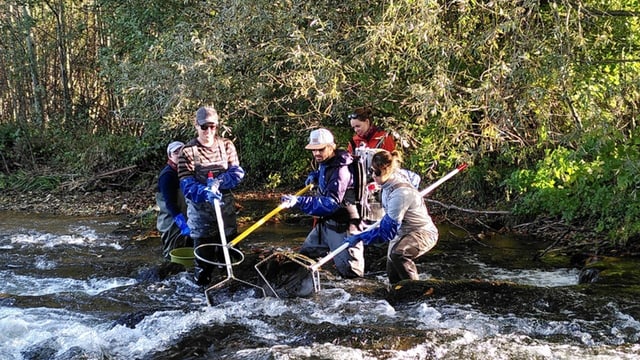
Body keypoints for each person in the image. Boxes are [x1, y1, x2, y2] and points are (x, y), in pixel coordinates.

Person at [280, 128, 365, 278]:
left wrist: (299, 201)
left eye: (320, 149)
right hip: (326, 225)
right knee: (304, 257)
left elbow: (330, 203)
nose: (316, 153)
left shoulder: (341, 170)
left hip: (343, 226)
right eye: (313, 150)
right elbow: (325, 173)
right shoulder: (326, 162)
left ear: (331, 147)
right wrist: (315, 175)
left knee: (351, 275)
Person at [344, 150, 438, 285]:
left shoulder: (399, 195)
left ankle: (416, 290)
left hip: (422, 232)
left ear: (388, 170)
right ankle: (398, 298)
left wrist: (360, 237)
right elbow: (415, 178)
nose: (373, 176)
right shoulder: (396, 175)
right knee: (392, 273)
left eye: (377, 173)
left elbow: (387, 233)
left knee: (399, 254)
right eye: (371, 171)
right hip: (402, 231)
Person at [178, 106, 245, 285]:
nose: (208, 131)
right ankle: (202, 294)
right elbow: (186, 184)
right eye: (204, 126)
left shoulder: (226, 145)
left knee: (230, 255)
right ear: (196, 125)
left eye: (213, 127)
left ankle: (232, 286)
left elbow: (237, 172)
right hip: (201, 213)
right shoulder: (187, 152)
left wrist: (219, 182)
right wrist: (204, 191)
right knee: (204, 262)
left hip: (225, 211)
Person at [156, 141, 192, 259]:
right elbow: (170, 203)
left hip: (189, 217)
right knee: (172, 255)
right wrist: (182, 224)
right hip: (171, 221)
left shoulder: (188, 171)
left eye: (182, 151)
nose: (179, 154)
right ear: (170, 156)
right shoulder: (167, 175)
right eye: (176, 152)